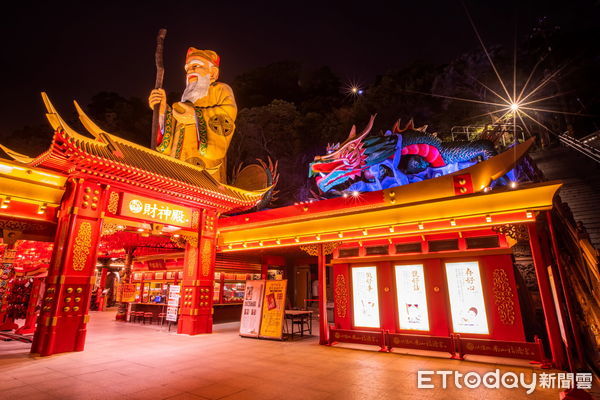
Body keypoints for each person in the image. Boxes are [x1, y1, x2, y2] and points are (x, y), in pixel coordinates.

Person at [148, 48, 237, 182]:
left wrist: (196, 116)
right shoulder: (185, 100)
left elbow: (228, 115)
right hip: (176, 167)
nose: (190, 71)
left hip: (204, 169)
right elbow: (165, 146)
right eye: (187, 68)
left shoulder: (220, 89)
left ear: (213, 72)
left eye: (196, 66)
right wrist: (161, 112)